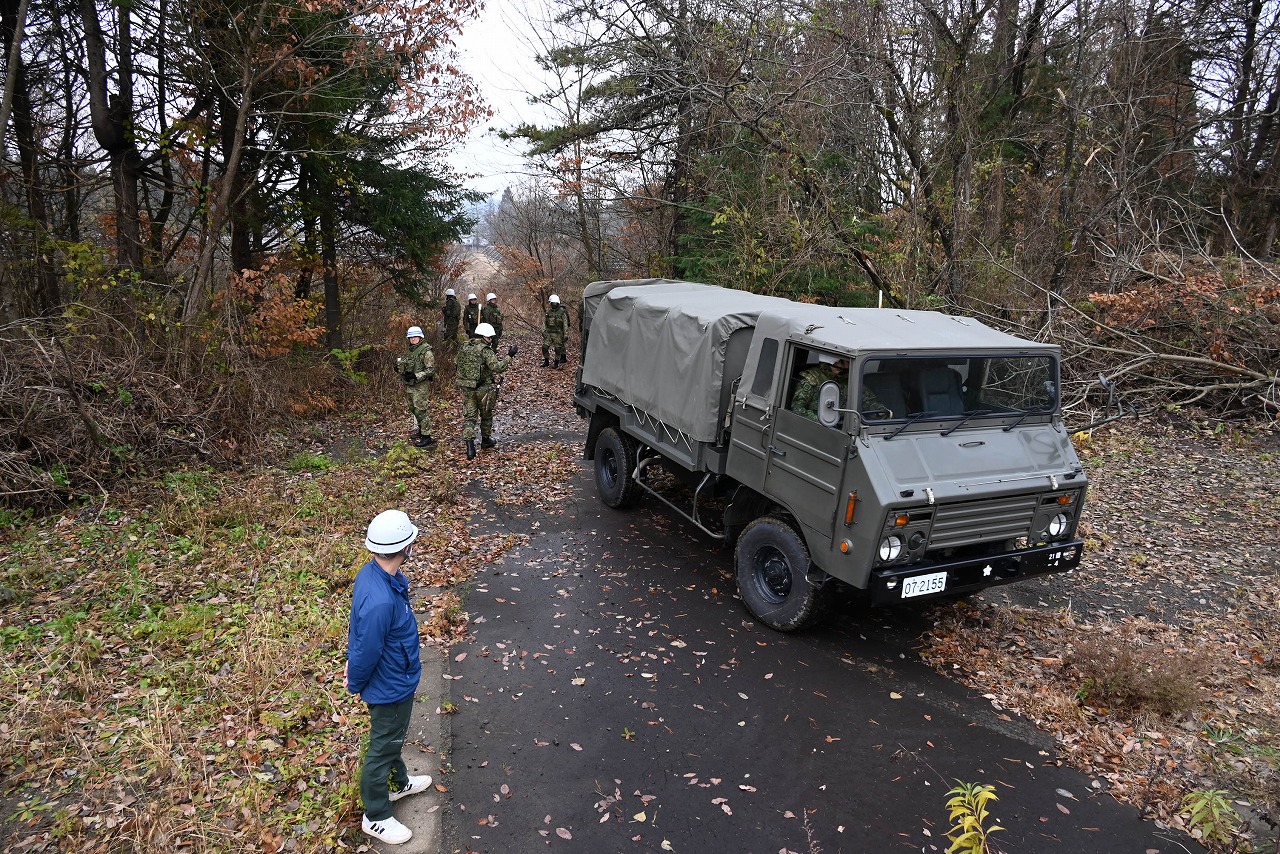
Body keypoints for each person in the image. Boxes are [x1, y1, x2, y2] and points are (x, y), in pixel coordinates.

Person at [345, 510, 433, 845]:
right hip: (390, 687)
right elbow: (368, 648)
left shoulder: (375, 576)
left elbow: (361, 635)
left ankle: (399, 783)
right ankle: (376, 815)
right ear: (404, 548)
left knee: (393, 737)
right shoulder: (381, 600)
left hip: (395, 676)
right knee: (383, 747)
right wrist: (355, 678)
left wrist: (352, 663)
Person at [455, 322, 516, 459]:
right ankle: (485, 441)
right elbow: (498, 367)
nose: (491, 340)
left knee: (469, 418)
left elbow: (456, 363)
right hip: (483, 388)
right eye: (490, 337)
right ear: (485, 337)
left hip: (467, 388)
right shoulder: (485, 350)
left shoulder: (465, 347)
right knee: (486, 414)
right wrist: (509, 356)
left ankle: (470, 448)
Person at [397, 326, 436, 447]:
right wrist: (399, 369)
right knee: (413, 409)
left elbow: (431, 370)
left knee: (420, 410)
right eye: (411, 337)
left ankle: (426, 436)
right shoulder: (410, 351)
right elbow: (406, 365)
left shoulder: (426, 351)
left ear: (420, 337)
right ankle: (421, 430)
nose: (413, 339)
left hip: (421, 385)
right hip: (410, 385)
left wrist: (416, 375)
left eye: (415, 337)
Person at [791, 353, 848, 421]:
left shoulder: (846, 378)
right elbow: (797, 409)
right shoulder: (811, 379)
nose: (845, 366)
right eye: (842, 362)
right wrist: (821, 420)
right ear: (831, 362)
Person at [541, 294, 570, 368]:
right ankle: (546, 361)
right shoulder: (548, 312)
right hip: (549, 333)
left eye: (555, 303)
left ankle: (556, 362)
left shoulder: (562, 312)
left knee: (558, 349)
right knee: (544, 347)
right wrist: (543, 331)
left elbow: (565, 324)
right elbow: (544, 322)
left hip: (558, 334)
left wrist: (566, 334)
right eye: (552, 303)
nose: (554, 305)